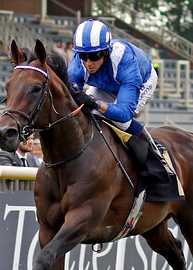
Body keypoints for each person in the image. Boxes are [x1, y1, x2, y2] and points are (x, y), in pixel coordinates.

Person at [66, 20, 176, 198]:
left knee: (119, 121)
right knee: (87, 113)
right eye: (83, 56)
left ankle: (157, 162)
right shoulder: (78, 63)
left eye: (94, 56)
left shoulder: (125, 60)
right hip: (104, 84)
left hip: (140, 81)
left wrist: (95, 103)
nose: (88, 63)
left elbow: (124, 113)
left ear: (106, 52)